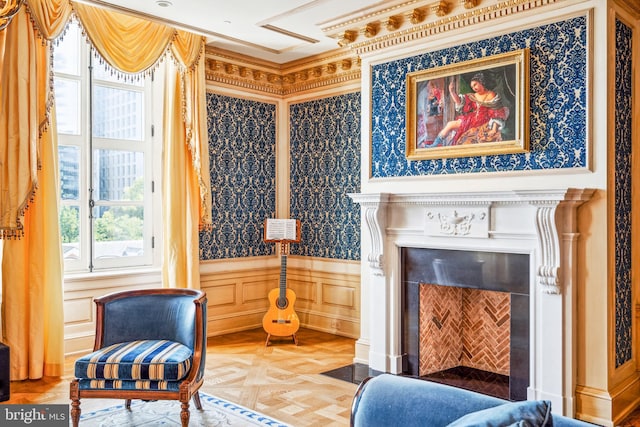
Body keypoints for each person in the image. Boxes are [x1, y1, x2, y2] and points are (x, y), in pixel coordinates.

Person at [433, 72, 509, 146]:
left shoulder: (491, 95)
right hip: (471, 119)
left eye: (475, 85)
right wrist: (452, 92)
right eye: (472, 87)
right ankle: (435, 144)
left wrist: (494, 129)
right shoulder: (473, 96)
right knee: (450, 124)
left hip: (484, 121)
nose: (474, 88)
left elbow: (496, 113)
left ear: (481, 82)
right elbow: (460, 102)